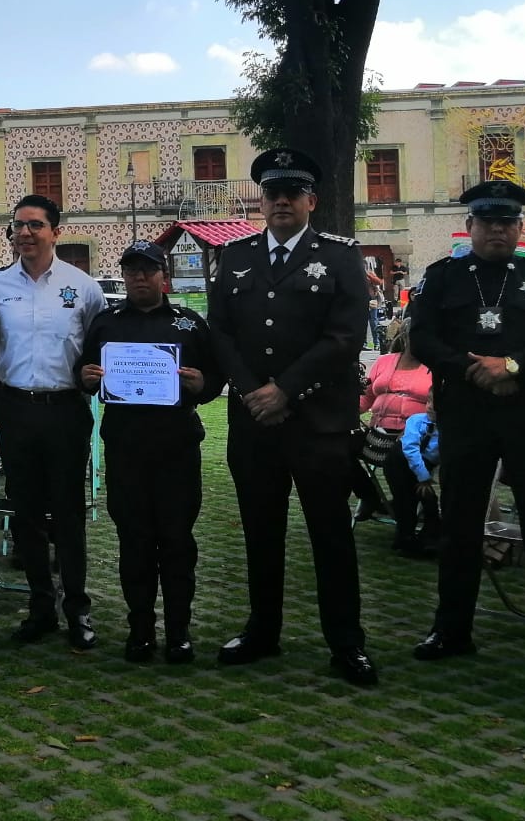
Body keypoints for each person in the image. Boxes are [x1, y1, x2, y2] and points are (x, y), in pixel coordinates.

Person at [206, 148, 376, 686]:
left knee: (330, 534)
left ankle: (346, 643)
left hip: (319, 422)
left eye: (292, 193)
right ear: (262, 200)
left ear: (311, 201)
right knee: (261, 531)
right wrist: (254, 389)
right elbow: (221, 333)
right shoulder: (234, 256)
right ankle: (263, 629)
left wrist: (286, 389)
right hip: (254, 420)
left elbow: (347, 335)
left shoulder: (341, 256)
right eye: (272, 192)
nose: (281, 201)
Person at [409, 180, 525, 680]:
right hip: (466, 414)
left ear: (520, 228)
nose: (496, 231)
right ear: (469, 227)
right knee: (460, 525)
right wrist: (475, 369)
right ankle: (451, 629)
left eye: (506, 222)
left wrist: (512, 366)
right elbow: (422, 338)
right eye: (487, 223)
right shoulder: (443, 278)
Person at [77, 240, 222, 663]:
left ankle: (178, 630)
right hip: (125, 449)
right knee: (134, 543)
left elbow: (214, 379)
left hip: (177, 448)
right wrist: (86, 377)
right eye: (132, 270)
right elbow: (85, 374)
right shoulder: (106, 324)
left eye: (148, 270)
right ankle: (139, 628)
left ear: (165, 276)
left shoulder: (190, 324)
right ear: (124, 276)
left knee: (177, 541)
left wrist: (203, 385)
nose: (139, 277)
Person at [0, 193, 106, 650]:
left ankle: (77, 608)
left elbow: (95, 346)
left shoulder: (83, 287)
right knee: (26, 513)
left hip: (66, 411)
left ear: (56, 230)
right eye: (18, 225)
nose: (26, 233)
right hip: (16, 409)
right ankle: (39, 607)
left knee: (68, 516)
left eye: (35, 225)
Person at [358, 320, 435, 550]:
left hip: (417, 437)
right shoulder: (384, 361)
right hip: (378, 433)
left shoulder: (435, 366)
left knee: (398, 458)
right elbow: (366, 398)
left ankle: (406, 528)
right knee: (334, 443)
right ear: (406, 337)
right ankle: (370, 495)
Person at [392, 393, 442, 556]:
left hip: (422, 466)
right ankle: (405, 540)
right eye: (428, 401)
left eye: (435, 403)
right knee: (406, 500)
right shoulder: (416, 420)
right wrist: (424, 478)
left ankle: (427, 540)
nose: (430, 406)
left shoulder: (449, 430)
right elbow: (410, 450)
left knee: (429, 501)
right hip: (400, 461)